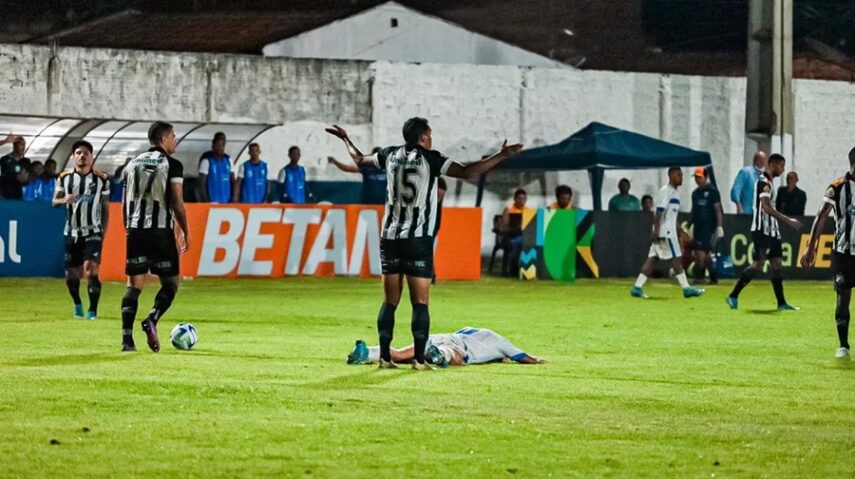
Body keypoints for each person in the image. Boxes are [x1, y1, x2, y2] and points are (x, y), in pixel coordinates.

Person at [326, 118, 522, 370]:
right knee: (420, 303)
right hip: (417, 239)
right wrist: (501, 155)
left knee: (389, 303)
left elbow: (360, 160)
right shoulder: (431, 159)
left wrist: (346, 138)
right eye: (430, 134)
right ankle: (419, 361)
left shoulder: (389, 154)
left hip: (390, 238)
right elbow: (468, 171)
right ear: (423, 137)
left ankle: (385, 358)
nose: (431, 138)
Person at [120, 121, 190, 352]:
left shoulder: (132, 164)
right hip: (160, 232)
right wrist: (186, 232)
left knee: (133, 286)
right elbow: (177, 202)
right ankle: (152, 318)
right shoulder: (173, 165)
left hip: (135, 230)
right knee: (170, 283)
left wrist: (128, 229)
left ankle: (127, 341)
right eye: (173, 136)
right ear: (164, 139)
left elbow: (124, 203)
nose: (175, 140)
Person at [726, 154, 801, 311]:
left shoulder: (769, 182)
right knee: (758, 266)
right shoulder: (763, 182)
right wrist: (788, 220)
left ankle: (781, 303)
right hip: (762, 231)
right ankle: (733, 295)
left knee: (777, 264)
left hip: (773, 231)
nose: (783, 170)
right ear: (774, 165)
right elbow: (766, 207)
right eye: (782, 166)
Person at [800, 147, 855, 359]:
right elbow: (821, 215)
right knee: (843, 294)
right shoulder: (837, 187)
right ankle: (843, 345)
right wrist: (811, 246)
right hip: (843, 253)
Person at [52, 141, 110, 320]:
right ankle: (77, 303)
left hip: (93, 231)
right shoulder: (64, 177)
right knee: (71, 274)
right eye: (78, 153)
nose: (82, 156)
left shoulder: (102, 179)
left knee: (91, 269)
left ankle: (92, 311)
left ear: (92, 157)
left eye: (86, 153)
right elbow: (54, 201)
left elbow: (105, 207)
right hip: (72, 232)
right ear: (73, 157)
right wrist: (64, 199)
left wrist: (103, 231)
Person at [631, 167, 705, 299]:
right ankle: (686, 288)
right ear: (670, 175)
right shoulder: (666, 191)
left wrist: (680, 231)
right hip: (665, 233)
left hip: (665, 231)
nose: (681, 177)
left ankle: (637, 287)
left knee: (653, 258)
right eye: (678, 175)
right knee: (676, 258)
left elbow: (671, 216)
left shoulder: (674, 193)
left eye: (681, 175)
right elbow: (659, 212)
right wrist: (657, 230)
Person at [346, 327, 545, 367]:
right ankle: (439, 355)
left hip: (440, 336)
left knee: (400, 355)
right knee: (456, 355)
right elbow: (523, 357)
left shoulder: (472, 330)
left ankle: (366, 352)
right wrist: (537, 360)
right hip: (457, 346)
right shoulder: (500, 342)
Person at [690, 167, 724, 284]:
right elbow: (694, 210)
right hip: (698, 228)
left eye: (699, 177)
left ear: (706, 177)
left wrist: (719, 226)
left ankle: (701, 276)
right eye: (696, 177)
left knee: (703, 254)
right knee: (704, 255)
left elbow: (717, 210)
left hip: (709, 228)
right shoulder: (695, 193)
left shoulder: (713, 192)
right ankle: (711, 276)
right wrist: (691, 223)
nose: (697, 180)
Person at [198, 132, 233, 203]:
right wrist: (206, 201)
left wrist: (233, 199)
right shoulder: (206, 160)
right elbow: (201, 183)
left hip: (227, 201)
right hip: (212, 201)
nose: (220, 148)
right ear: (213, 146)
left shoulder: (228, 160)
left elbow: (232, 181)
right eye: (218, 145)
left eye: (222, 145)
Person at [500, 188, 528, 276]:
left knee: (530, 243)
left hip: (523, 236)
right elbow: (504, 227)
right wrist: (516, 228)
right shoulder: (508, 210)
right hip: (509, 237)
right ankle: (512, 270)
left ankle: (527, 269)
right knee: (518, 242)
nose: (521, 201)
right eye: (519, 198)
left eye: (524, 199)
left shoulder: (528, 211)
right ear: (515, 199)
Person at [730, 150, 767, 215]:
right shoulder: (746, 172)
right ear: (754, 159)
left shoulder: (764, 176)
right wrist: (739, 206)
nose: (762, 161)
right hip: (746, 212)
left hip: (759, 214)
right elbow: (735, 190)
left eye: (764, 159)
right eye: (760, 159)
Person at [0, 134, 31, 200]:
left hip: (18, 194)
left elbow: (28, 177)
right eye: (21, 145)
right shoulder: (5, 159)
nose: (23, 147)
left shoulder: (26, 161)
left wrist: (25, 180)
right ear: (14, 145)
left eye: (24, 145)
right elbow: (3, 176)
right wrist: (15, 177)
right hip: (5, 193)